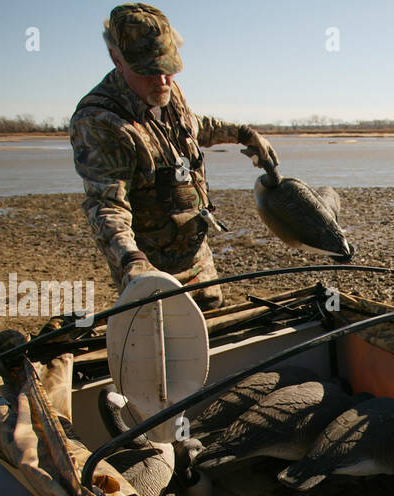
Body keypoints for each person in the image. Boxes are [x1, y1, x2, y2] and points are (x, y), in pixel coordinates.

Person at [69, 3, 277, 311]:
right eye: (150, 71)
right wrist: (133, 262)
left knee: (216, 333)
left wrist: (244, 134)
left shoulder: (168, 90)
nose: (163, 81)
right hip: (151, 273)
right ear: (117, 58)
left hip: (198, 258)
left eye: (168, 69)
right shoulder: (100, 121)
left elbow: (195, 126)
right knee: (169, 347)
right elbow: (106, 206)